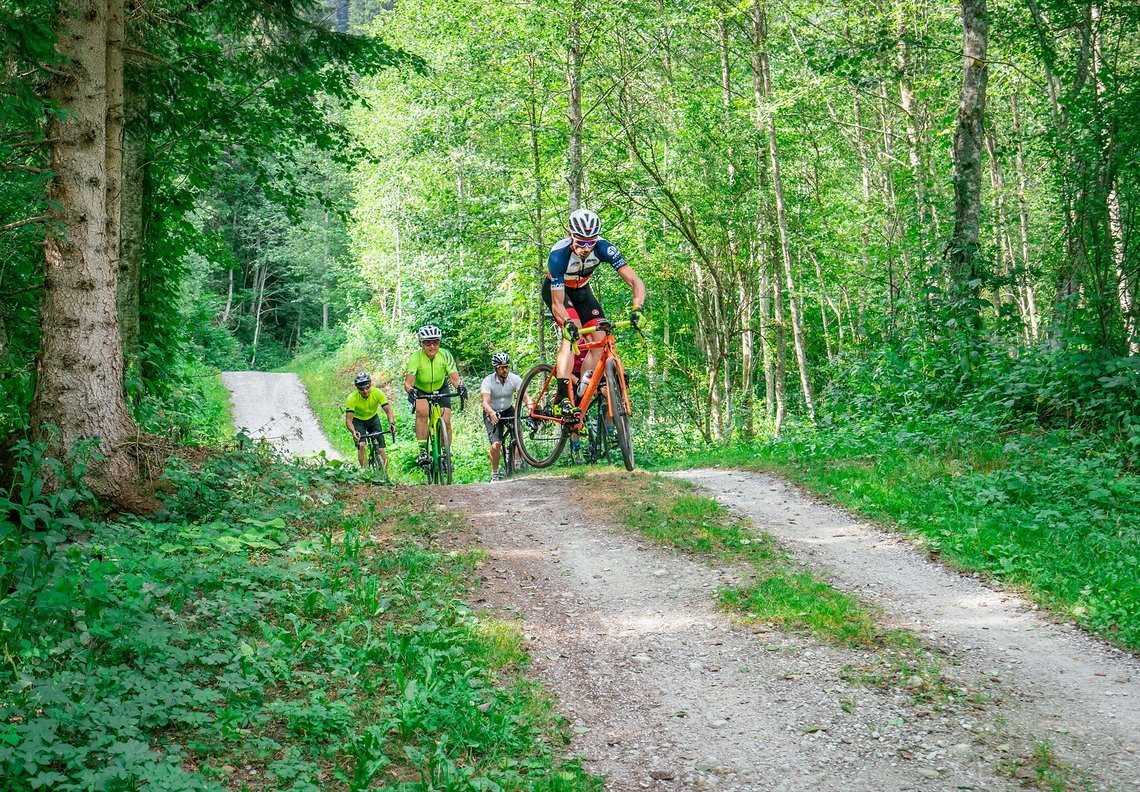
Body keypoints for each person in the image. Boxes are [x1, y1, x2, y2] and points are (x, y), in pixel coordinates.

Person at [543, 208, 645, 418]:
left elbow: (635, 282)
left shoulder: (603, 248)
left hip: (582, 291)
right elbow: (556, 304)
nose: (586, 247)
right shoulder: (558, 256)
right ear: (571, 235)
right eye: (581, 241)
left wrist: (638, 308)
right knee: (573, 334)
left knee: (600, 341)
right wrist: (567, 323)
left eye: (591, 241)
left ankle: (583, 389)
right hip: (559, 293)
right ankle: (562, 398)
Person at [404, 325, 466, 467]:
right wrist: (411, 390)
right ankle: (422, 450)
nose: (432, 346)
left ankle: (446, 454)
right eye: (427, 342)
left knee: (447, 420)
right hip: (420, 389)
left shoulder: (445, 355)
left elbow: (455, 379)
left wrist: (460, 387)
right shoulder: (416, 357)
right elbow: (408, 383)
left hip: (440, 387)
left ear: (439, 342)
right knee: (422, 412)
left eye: (435, 342)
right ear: (421, 343)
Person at [481, 352, 523, 481]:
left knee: (518, 435)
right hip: (492, 410)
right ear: (496, 369)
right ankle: (495, 472)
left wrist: (531, 406)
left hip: (508, 409)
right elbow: (485, 402)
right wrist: (492, 413)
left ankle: (517, 463)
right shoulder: (488, 381)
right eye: (501, 368)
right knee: (496, 443)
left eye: (506, 367)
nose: (504, 370)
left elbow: (525, 396)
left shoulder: (514, 379)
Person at [345, 371, 395, 469]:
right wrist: (354, 432)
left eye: (367, 387)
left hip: (373, 419)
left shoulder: (377, 393)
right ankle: (366, 471)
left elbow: (388, 410)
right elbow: (348, 420)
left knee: (381, 449)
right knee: (362, 445)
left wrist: (392, 424)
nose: (365, 391)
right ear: (357, 389)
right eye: (361, 388)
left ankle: (385, 474)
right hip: (358, 421)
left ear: (371, 385)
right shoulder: (352, 398)